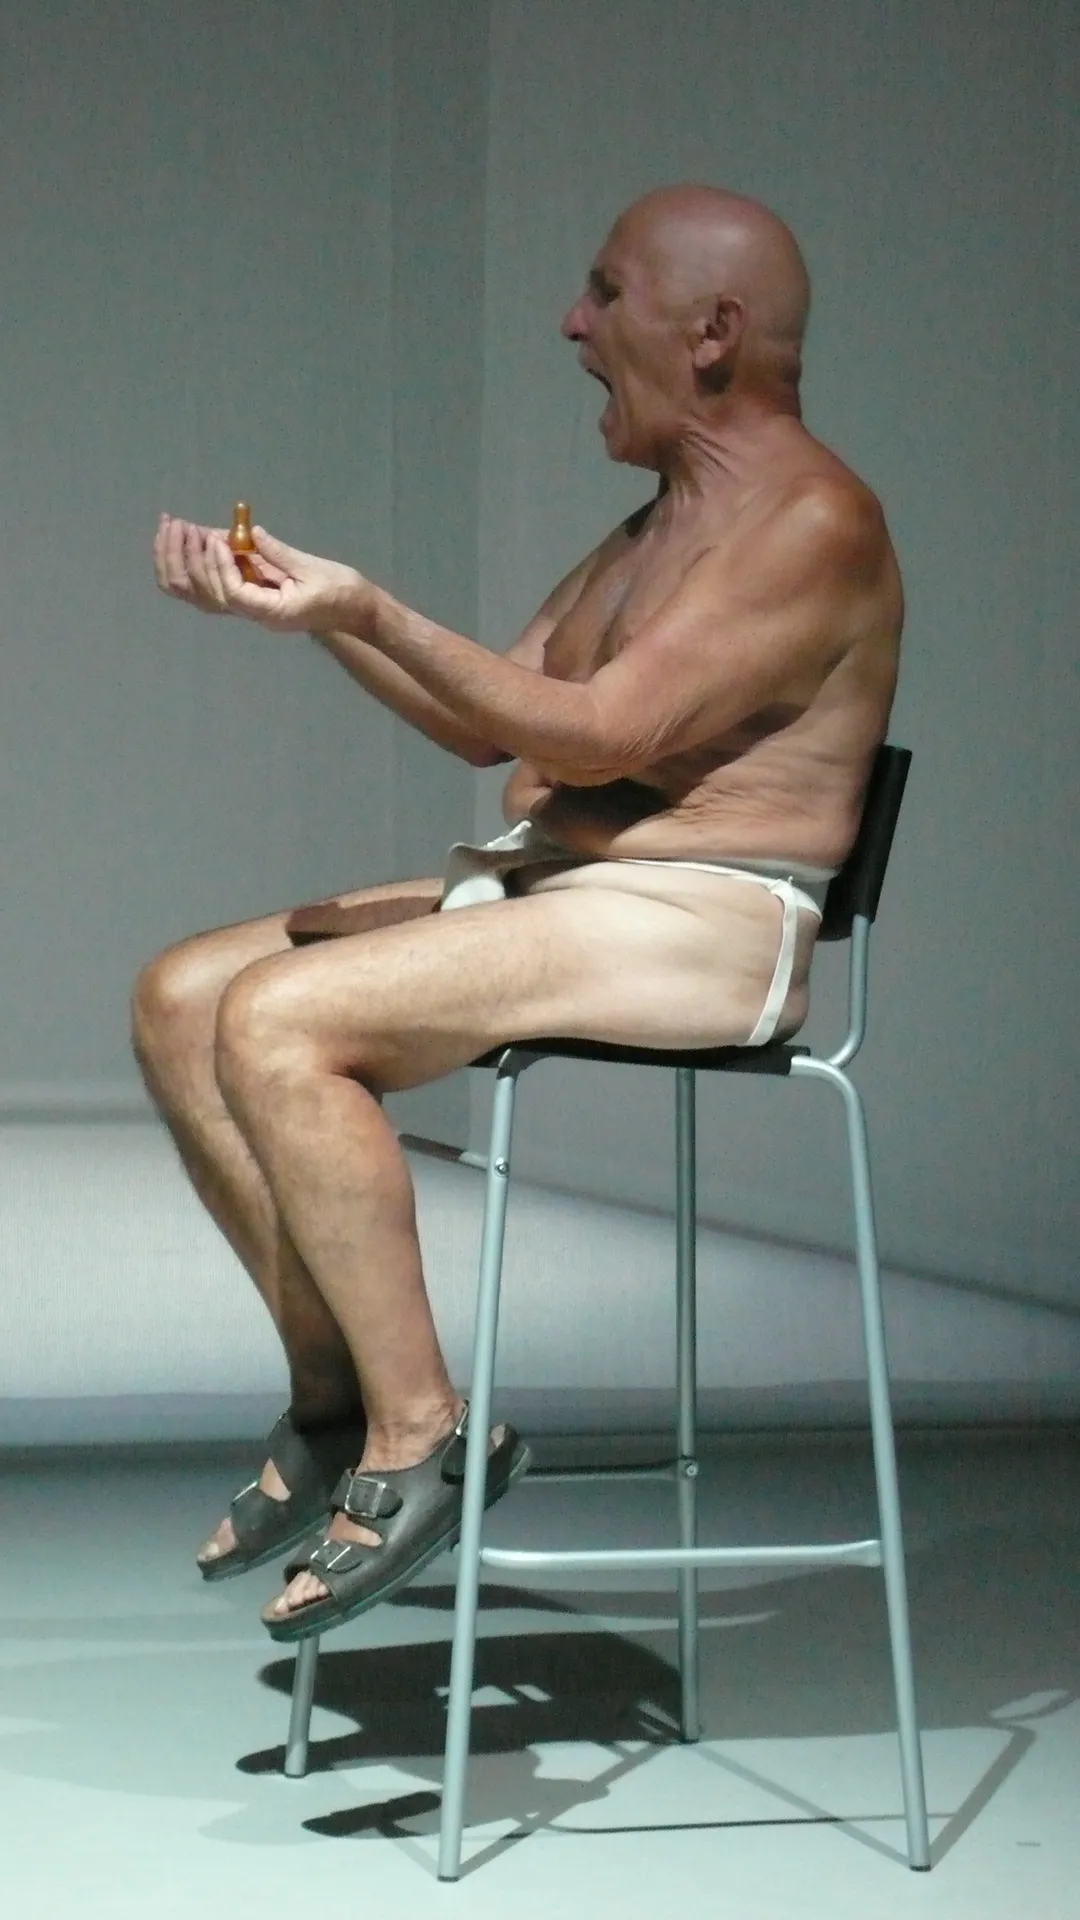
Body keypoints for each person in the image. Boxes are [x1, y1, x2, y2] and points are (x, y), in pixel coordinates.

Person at [137, 183, 902, 1641]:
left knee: (280, 1018)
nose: (571, 322)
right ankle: (337, 1400)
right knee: (183, 997)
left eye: (605, 293)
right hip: (579, 885)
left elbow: (600, 735)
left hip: (703, 919)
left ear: (713, 332)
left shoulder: (816, 522)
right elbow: (489, 725)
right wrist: (312, 611)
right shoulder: (661, 521)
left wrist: (371, 607)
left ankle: (421, 1436)